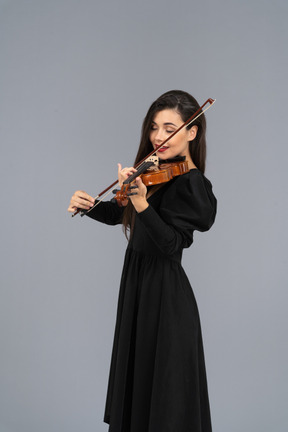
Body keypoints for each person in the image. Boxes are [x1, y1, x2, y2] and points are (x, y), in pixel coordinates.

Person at [68, 90, 217, 432]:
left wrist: (141, 203)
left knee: (165, 398)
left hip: (165, 294)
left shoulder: (194, 185)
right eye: (154, 127)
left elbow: (170, 244)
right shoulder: (154, 171)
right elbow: (118, 214)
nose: (158, 137)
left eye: (169, 128)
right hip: (138, 285)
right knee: (137, 388)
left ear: (191, 132)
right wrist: (89, 205)